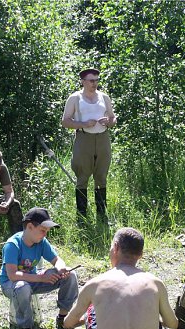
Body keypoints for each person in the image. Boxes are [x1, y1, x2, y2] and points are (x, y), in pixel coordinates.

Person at [63, 227, 178, 329]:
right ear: (141, 254)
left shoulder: (95, 284)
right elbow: (172, 324)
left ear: (115, 247)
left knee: (92, 311)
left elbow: (68, 323)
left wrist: (88, 317)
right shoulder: (155, 283)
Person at [0, 207, 78, 329]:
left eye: (47, 231)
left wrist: (61, 269)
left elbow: (57, 260)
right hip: (11, 285)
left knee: (71, 274)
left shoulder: (41, 242)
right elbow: (12, 275)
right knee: (22, 287)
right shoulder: (12, 245)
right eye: (43, 230)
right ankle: (24, 328)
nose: (45, 234)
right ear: (30, 227)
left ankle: (63, 317)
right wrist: (41, 277)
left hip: (33, 280)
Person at [61, 68, 117, 224]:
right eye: (92, 80)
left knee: (101, 176)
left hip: (103, 138)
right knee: (82, 176)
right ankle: (82, 217)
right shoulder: (75, 98)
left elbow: (113, 118)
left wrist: (109, 122)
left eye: (97, 80)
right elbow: (65, 121)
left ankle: (101, 215)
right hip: (83, 138)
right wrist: (83, 123)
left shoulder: (104, 97)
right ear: (83, 81)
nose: (95, 83)